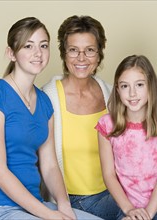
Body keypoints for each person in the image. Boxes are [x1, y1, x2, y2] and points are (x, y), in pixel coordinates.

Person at [0, 17, 99, 220]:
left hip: (34, 205)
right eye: (28, 46)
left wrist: (63, 205)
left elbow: (49, 165)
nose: (38, 53)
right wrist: (48, 215)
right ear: (11, 53)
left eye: (43, 45)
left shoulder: (44, 101)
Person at [42, 15, 120, 219]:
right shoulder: (48, 97)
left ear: (99, 54)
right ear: (64, 53)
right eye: (73, 50)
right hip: (69, 201)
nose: (81, 58)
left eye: (90, 50)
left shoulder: (113, 97)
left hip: (112, 196)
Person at [95, 55, 157, 220]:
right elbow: (109, 174)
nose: (132, 93)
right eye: (125, 86)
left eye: (140, 85)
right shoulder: (107, 125)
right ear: (117, 89)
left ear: (150, 86)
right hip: (127, 208)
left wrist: (147, 215)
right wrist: (130, 211)